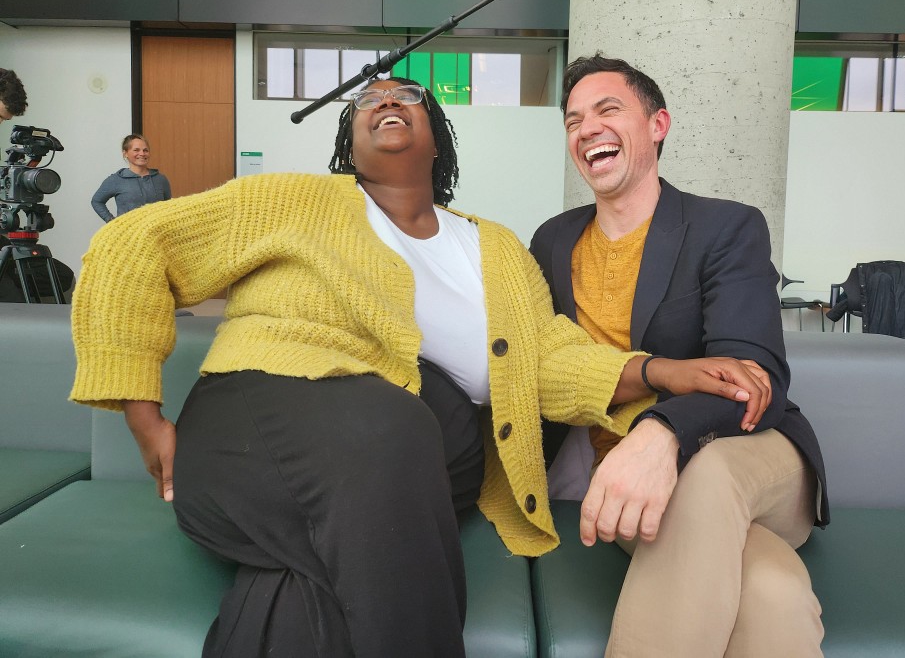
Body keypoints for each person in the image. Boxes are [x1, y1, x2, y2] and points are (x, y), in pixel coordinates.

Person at [70, 76, 770, 658]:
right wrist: (142, 413)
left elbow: (545, 361)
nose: (386, 103)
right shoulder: (292, 200)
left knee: (342, 522)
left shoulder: (494, 248)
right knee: (388, 424)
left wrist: (656, 373)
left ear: (437, 137)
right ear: (350, 142)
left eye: (407, 96)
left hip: (419, 458)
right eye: (367, 102)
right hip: (261, 418)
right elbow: (134, 244)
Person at [530, 54, 829, 657]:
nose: (586, 128)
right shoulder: (553, 240)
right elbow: (546, 363)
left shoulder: (725, 227)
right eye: (572, 120)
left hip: (751, 451)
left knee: (708, 475)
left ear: (658, 124)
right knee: (772, 593)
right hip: (630, 485)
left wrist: (660, 432)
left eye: (608, 109)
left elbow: (752, 376)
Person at [90, 134, 172, 221]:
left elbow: (167, 206)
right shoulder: (116, 180)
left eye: (145, 150)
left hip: (156, 232)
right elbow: (97, 201)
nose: (142, 153)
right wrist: (111, 221)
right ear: (125, 153)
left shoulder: (160, 179)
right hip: (129, 233)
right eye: (136, 150)